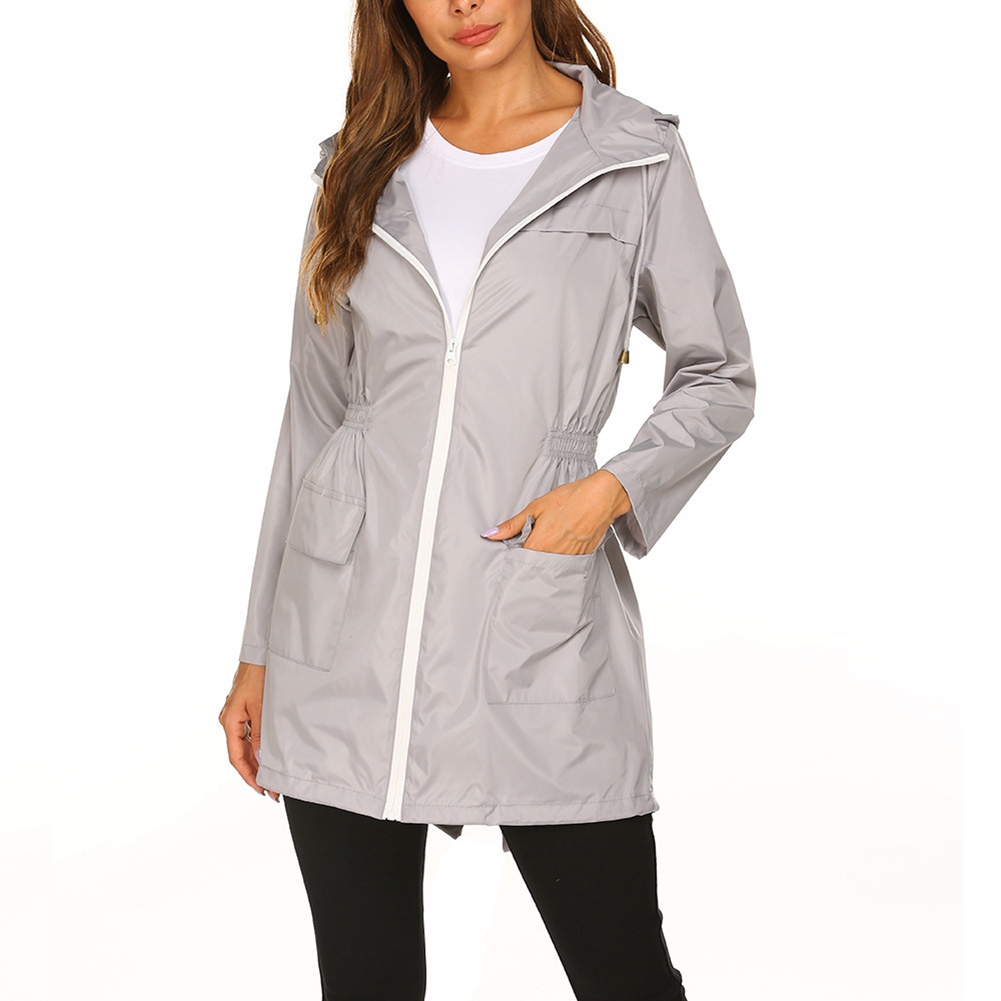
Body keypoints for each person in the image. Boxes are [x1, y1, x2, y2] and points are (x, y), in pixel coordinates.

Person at [218, 0, 755, 997]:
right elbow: (314, 416)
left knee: (625, 976)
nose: (462, 4)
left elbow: (717, 372)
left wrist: (610, 489)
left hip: (534, 624)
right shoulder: (359, 166)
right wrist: (259, 651)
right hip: (343, 641)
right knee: (366, 982)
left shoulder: (632, 157)